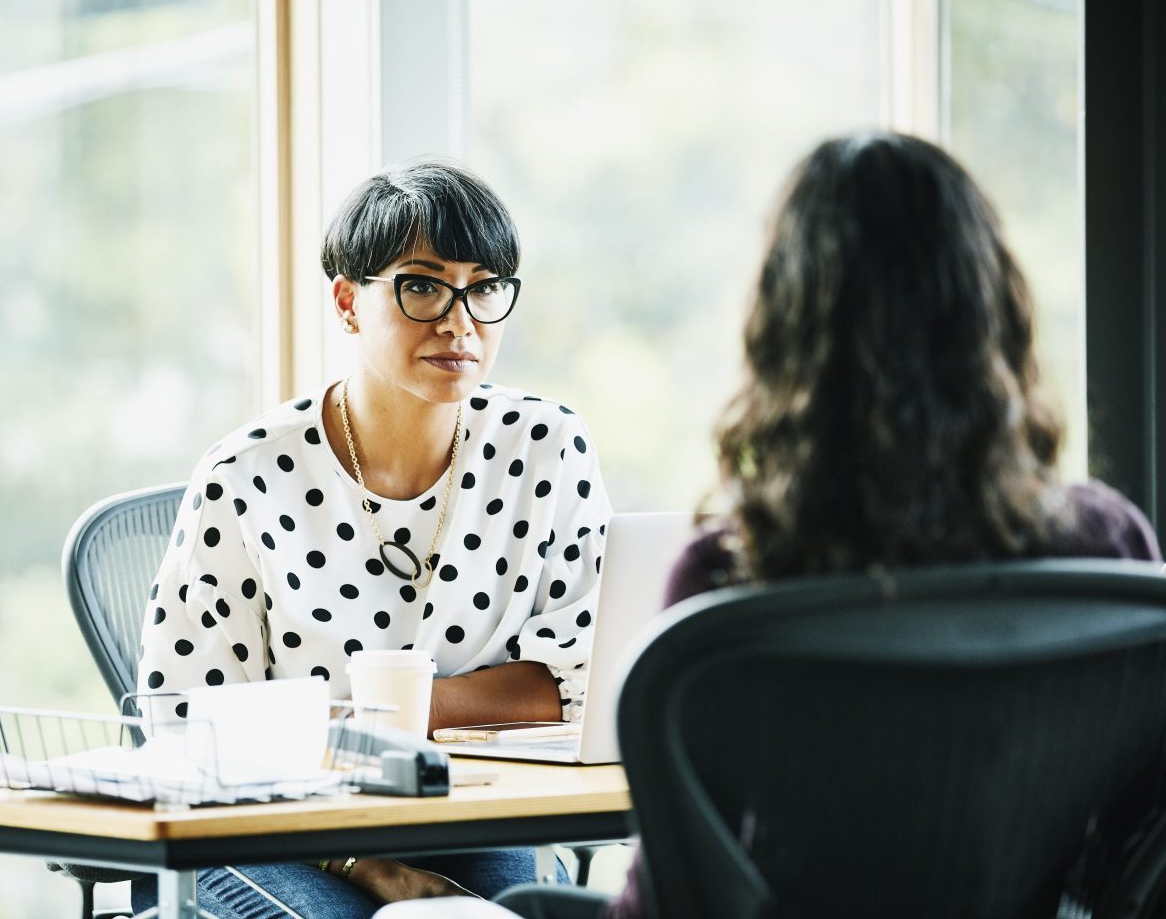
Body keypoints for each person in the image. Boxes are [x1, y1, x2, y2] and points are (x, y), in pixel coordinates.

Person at [492, 131, 1161, 919]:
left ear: (780, 329)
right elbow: (1135, 852)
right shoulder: (1106, 548)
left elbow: (673, 902)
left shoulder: (733, 574)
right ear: (996, 310)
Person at [132, 158, 612, 918]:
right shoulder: (248, 475)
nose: (460, 322)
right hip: (267, 828)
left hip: (463, 815)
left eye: (484, 287)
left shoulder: (544, 448)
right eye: (423, 285)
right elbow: (186, 726)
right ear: (348, 302)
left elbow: (581, 681)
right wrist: (364, 861)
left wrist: (404, 714)